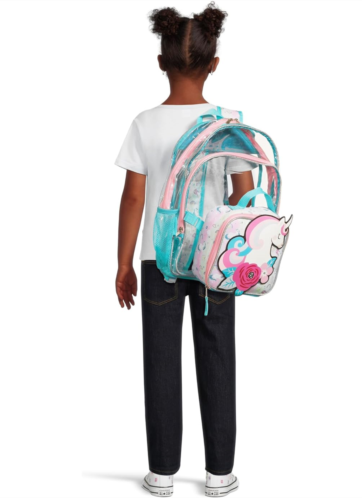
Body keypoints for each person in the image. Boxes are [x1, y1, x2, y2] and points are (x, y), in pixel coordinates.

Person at [115, 4, 254, 496]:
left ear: (161, 61)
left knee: (160, 360)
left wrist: (123, 263)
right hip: (217, 260)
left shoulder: (145, 123)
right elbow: (245, 195)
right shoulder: (229, 123)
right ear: (214, 64)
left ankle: (162, 473)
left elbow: (134, 198)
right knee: (218, 357)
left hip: (160, 261)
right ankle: (219, 474)